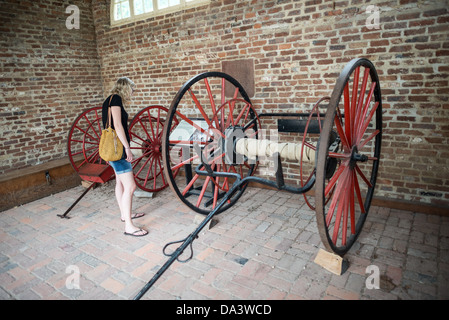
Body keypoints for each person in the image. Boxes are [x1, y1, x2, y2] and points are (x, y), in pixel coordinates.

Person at [102, 77, 148, 237]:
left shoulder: (109, 99)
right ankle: (129, 226)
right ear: (125, 88)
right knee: (131, 187)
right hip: (118, 150)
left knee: (120, 183)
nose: (132, 92)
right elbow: (118, 125)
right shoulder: (115, 99)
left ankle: (124, 214)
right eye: (132, 89)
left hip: (111, 150)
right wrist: (127, 148)